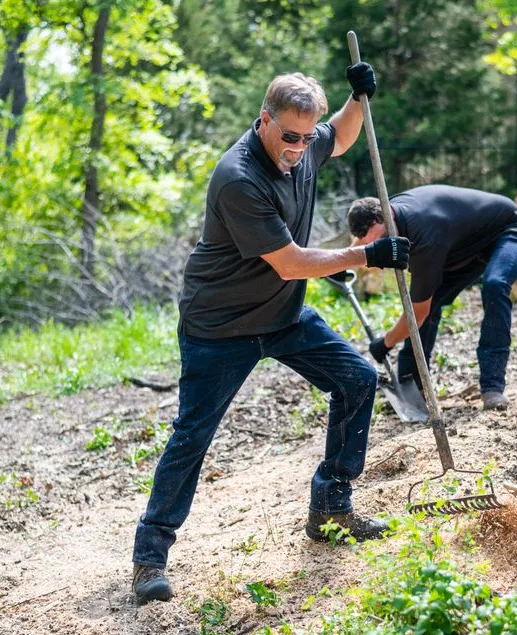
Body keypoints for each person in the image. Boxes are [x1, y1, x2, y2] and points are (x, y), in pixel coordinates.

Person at [131, 65, 411, 604]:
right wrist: (365, 254)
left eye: (307, 138)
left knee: (357, 378)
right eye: (290, 137)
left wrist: (358, 96)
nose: (300, 148)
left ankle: (331, 504)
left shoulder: (303, 145)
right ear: (264, 121)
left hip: (281, 317)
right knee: (194, 434)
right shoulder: (239, 178)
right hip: (221, 327)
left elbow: (343, 133)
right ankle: (149, 557)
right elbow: (289, 262)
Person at [347, 184, 517, 412]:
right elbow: (361, 242)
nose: (381, 247)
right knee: (431, 298)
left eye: (381, 240)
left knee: (494, 285)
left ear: (386, 216)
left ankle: (493, 386)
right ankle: (414, 389)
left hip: (513, 231)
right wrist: (340, 263)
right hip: (466, 247)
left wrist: (385, 343)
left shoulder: (424, 238)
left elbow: (417, 313)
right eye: (374, 243)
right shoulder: (387, 214)